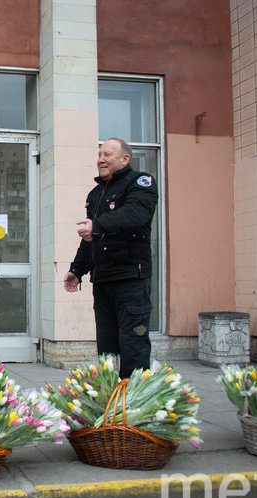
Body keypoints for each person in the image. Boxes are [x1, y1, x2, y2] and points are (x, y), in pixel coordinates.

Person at [63, 137, 158, 378]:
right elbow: (90, 238)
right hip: (103, 281)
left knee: (132, 344)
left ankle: (134, 398)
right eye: (99, 154)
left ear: (125, 159)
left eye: (108, 154)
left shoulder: (140, 182)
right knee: (106, 347)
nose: (101, 159)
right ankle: (109, 399)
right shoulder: (95, 193)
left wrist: (96, 226)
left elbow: (134, 215)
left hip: (130, 280)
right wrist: (77, 269)